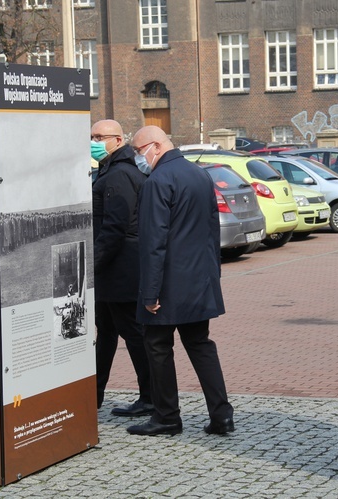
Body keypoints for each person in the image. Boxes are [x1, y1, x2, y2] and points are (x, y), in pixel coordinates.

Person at [127, 125, 234, 436]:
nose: (138, 157)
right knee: (200, 344)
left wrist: (149, 292)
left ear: (156, 146)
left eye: (138, 150)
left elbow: (153, 242)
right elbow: (213, 229)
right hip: (199, 278)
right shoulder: (199, 174)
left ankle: (167, 416)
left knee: (157, 345)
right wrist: (213, 273)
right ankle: (221, 413)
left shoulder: (158, 181)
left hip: (169, 282)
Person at [91, 119, 154, 416]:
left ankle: (150, 396)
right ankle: (94, 393)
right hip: (112, 271)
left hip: (120, 270)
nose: (94, 140)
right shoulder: (110, 170)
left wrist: (93, 266)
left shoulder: (119, 175)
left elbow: (115, 228)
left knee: (132, 333)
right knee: (105, 333)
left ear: (117, 140)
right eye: (91, 136)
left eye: (99, 136)